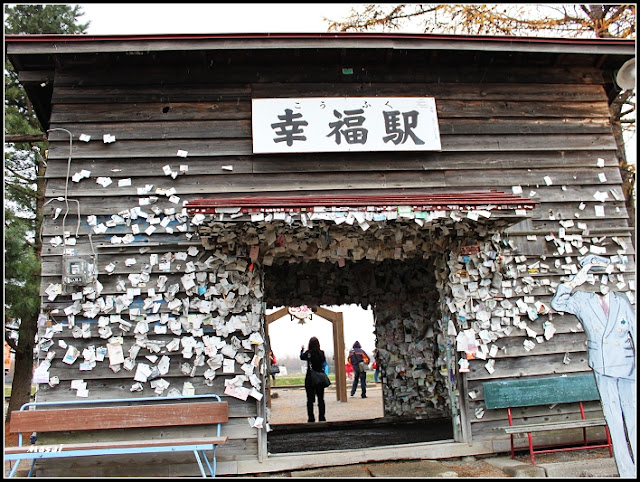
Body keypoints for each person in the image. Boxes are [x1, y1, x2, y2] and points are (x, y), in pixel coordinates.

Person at [550, 254, 636, 478]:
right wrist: (572, 282)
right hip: (603, 365)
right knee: (615, 421)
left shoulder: (621, 300)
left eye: (605, 274)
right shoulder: (581, 300)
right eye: (596, 274)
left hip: (628, 366)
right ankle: (627, 471)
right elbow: (557, 303)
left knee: (634, 417)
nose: (602, 280)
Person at [300, 337, 327, 422]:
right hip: (320, 377)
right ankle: (322, 417)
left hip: (310, 378)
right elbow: (323, 361)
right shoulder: (321, 353)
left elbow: (301, 357)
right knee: (321, 399)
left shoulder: (308, 353)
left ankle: (311, 418)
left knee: (310, 400)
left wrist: (302, 350)